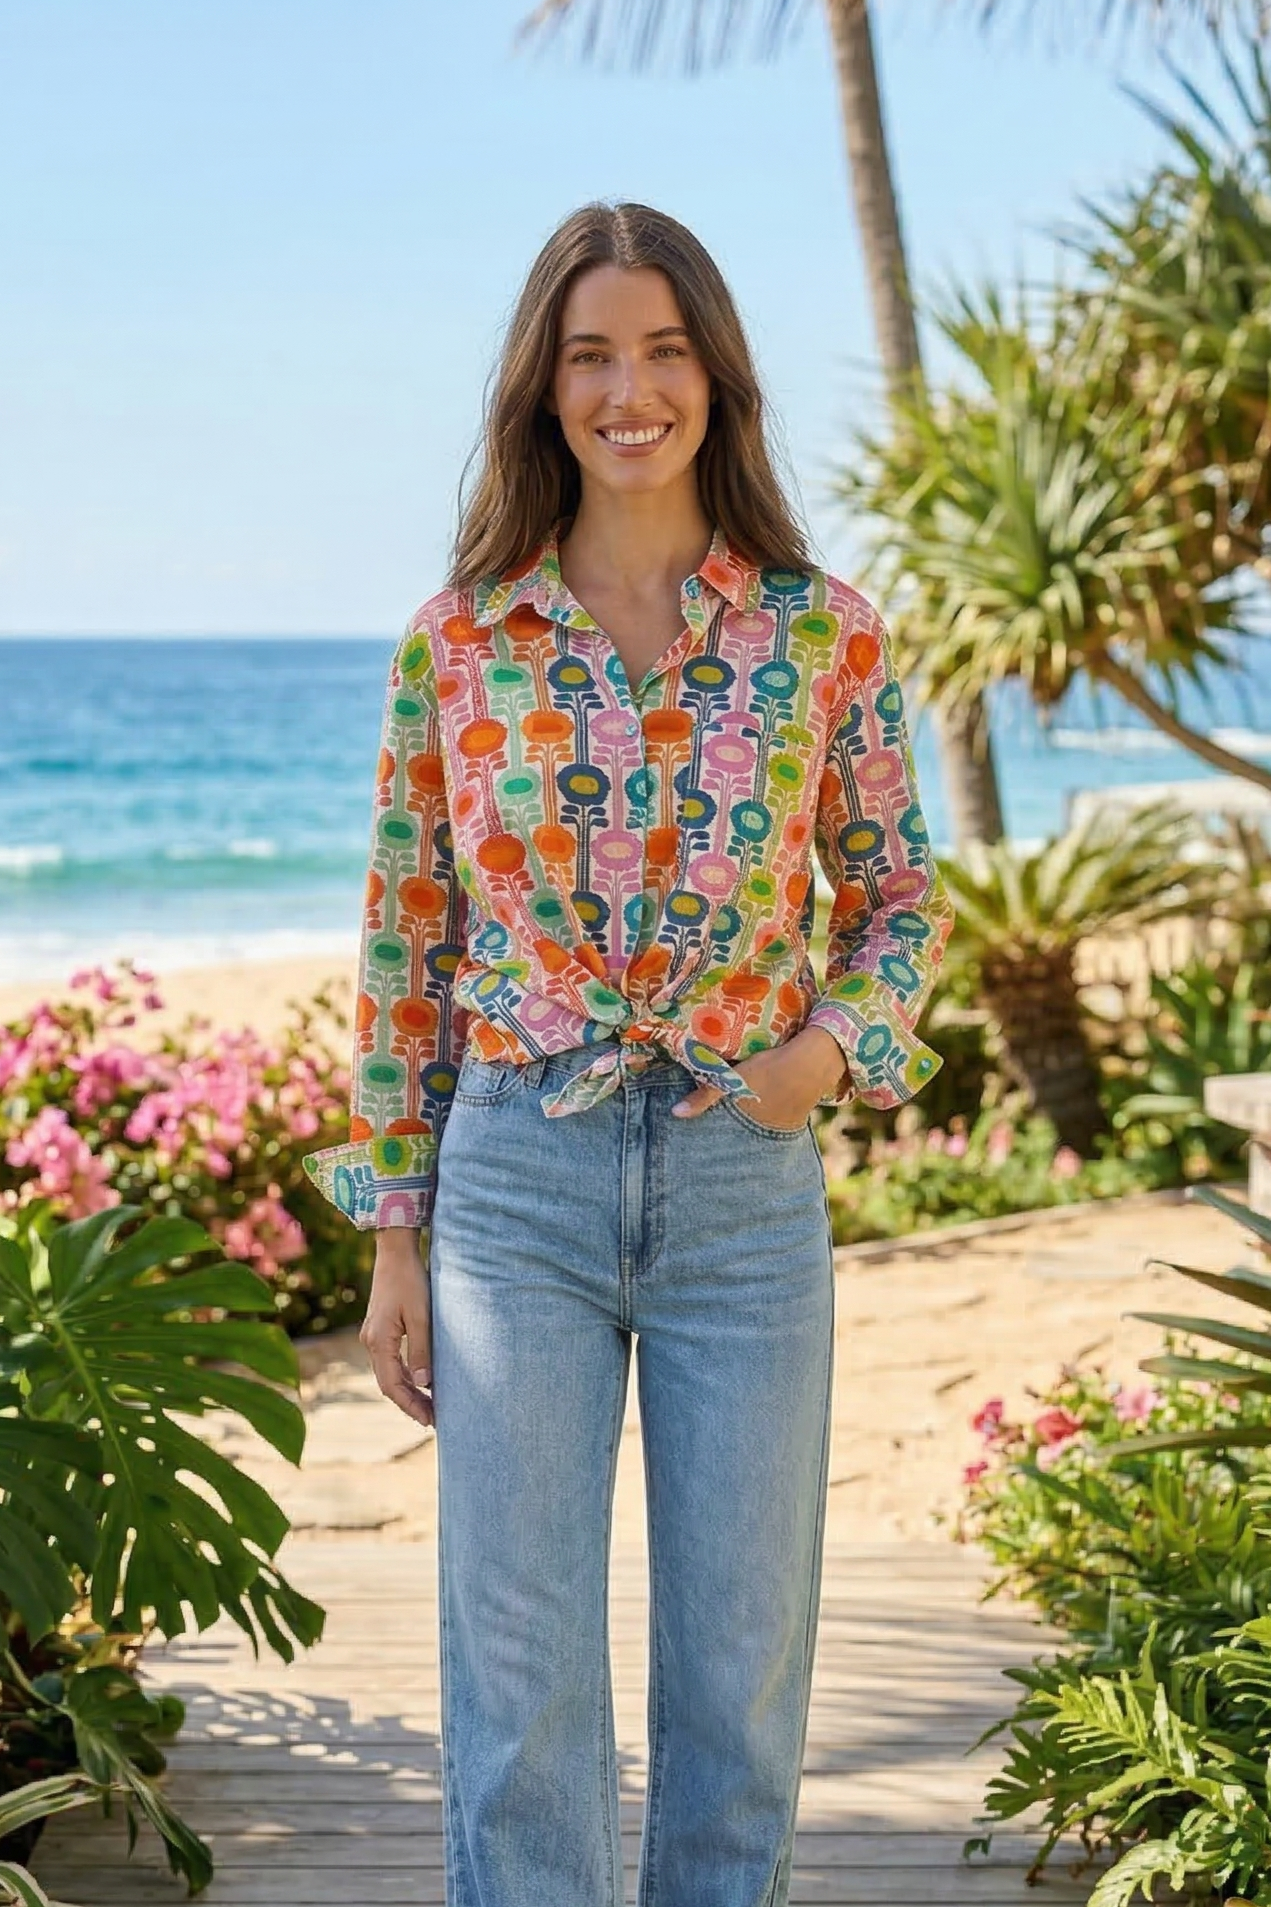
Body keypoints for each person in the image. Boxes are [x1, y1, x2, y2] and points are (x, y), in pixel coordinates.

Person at [304, 199, 954, 1907]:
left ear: (716, 377)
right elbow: (403, 946)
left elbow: (896, 902)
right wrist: (394, 1236)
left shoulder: (827, 631)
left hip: (746, 1189)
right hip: (517, 1180)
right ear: (544, 388)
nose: (628, 387)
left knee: (736, 1674)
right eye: (590, 353)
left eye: (662, 349)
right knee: (518, 1682)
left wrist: (820, 1057)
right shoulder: (459, 641)